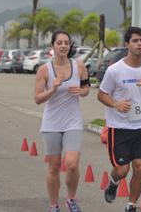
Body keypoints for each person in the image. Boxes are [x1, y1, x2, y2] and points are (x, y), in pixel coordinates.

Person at [97, 26, 141, 212]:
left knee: (140, 168)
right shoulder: (115, 70)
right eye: (135, 41)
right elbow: (101, 95)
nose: (139, 44)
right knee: (122, 170)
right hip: (118, 127)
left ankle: (131, 205)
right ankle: (113, 182)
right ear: (127, 44)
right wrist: (116, 104)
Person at [34, 30, 89, 212]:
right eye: (59, 43)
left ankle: (71, 199)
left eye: (66, 43)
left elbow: (86, 87)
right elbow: (37, 98)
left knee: (72, 164)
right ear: (53, 46)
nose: (63, 46)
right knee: (54, 166)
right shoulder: (44, 69)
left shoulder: (79, 66)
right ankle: (53, 205)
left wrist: (81, 92)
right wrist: (53, 89)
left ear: (70, 46)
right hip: (52, 123)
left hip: (73, 121)